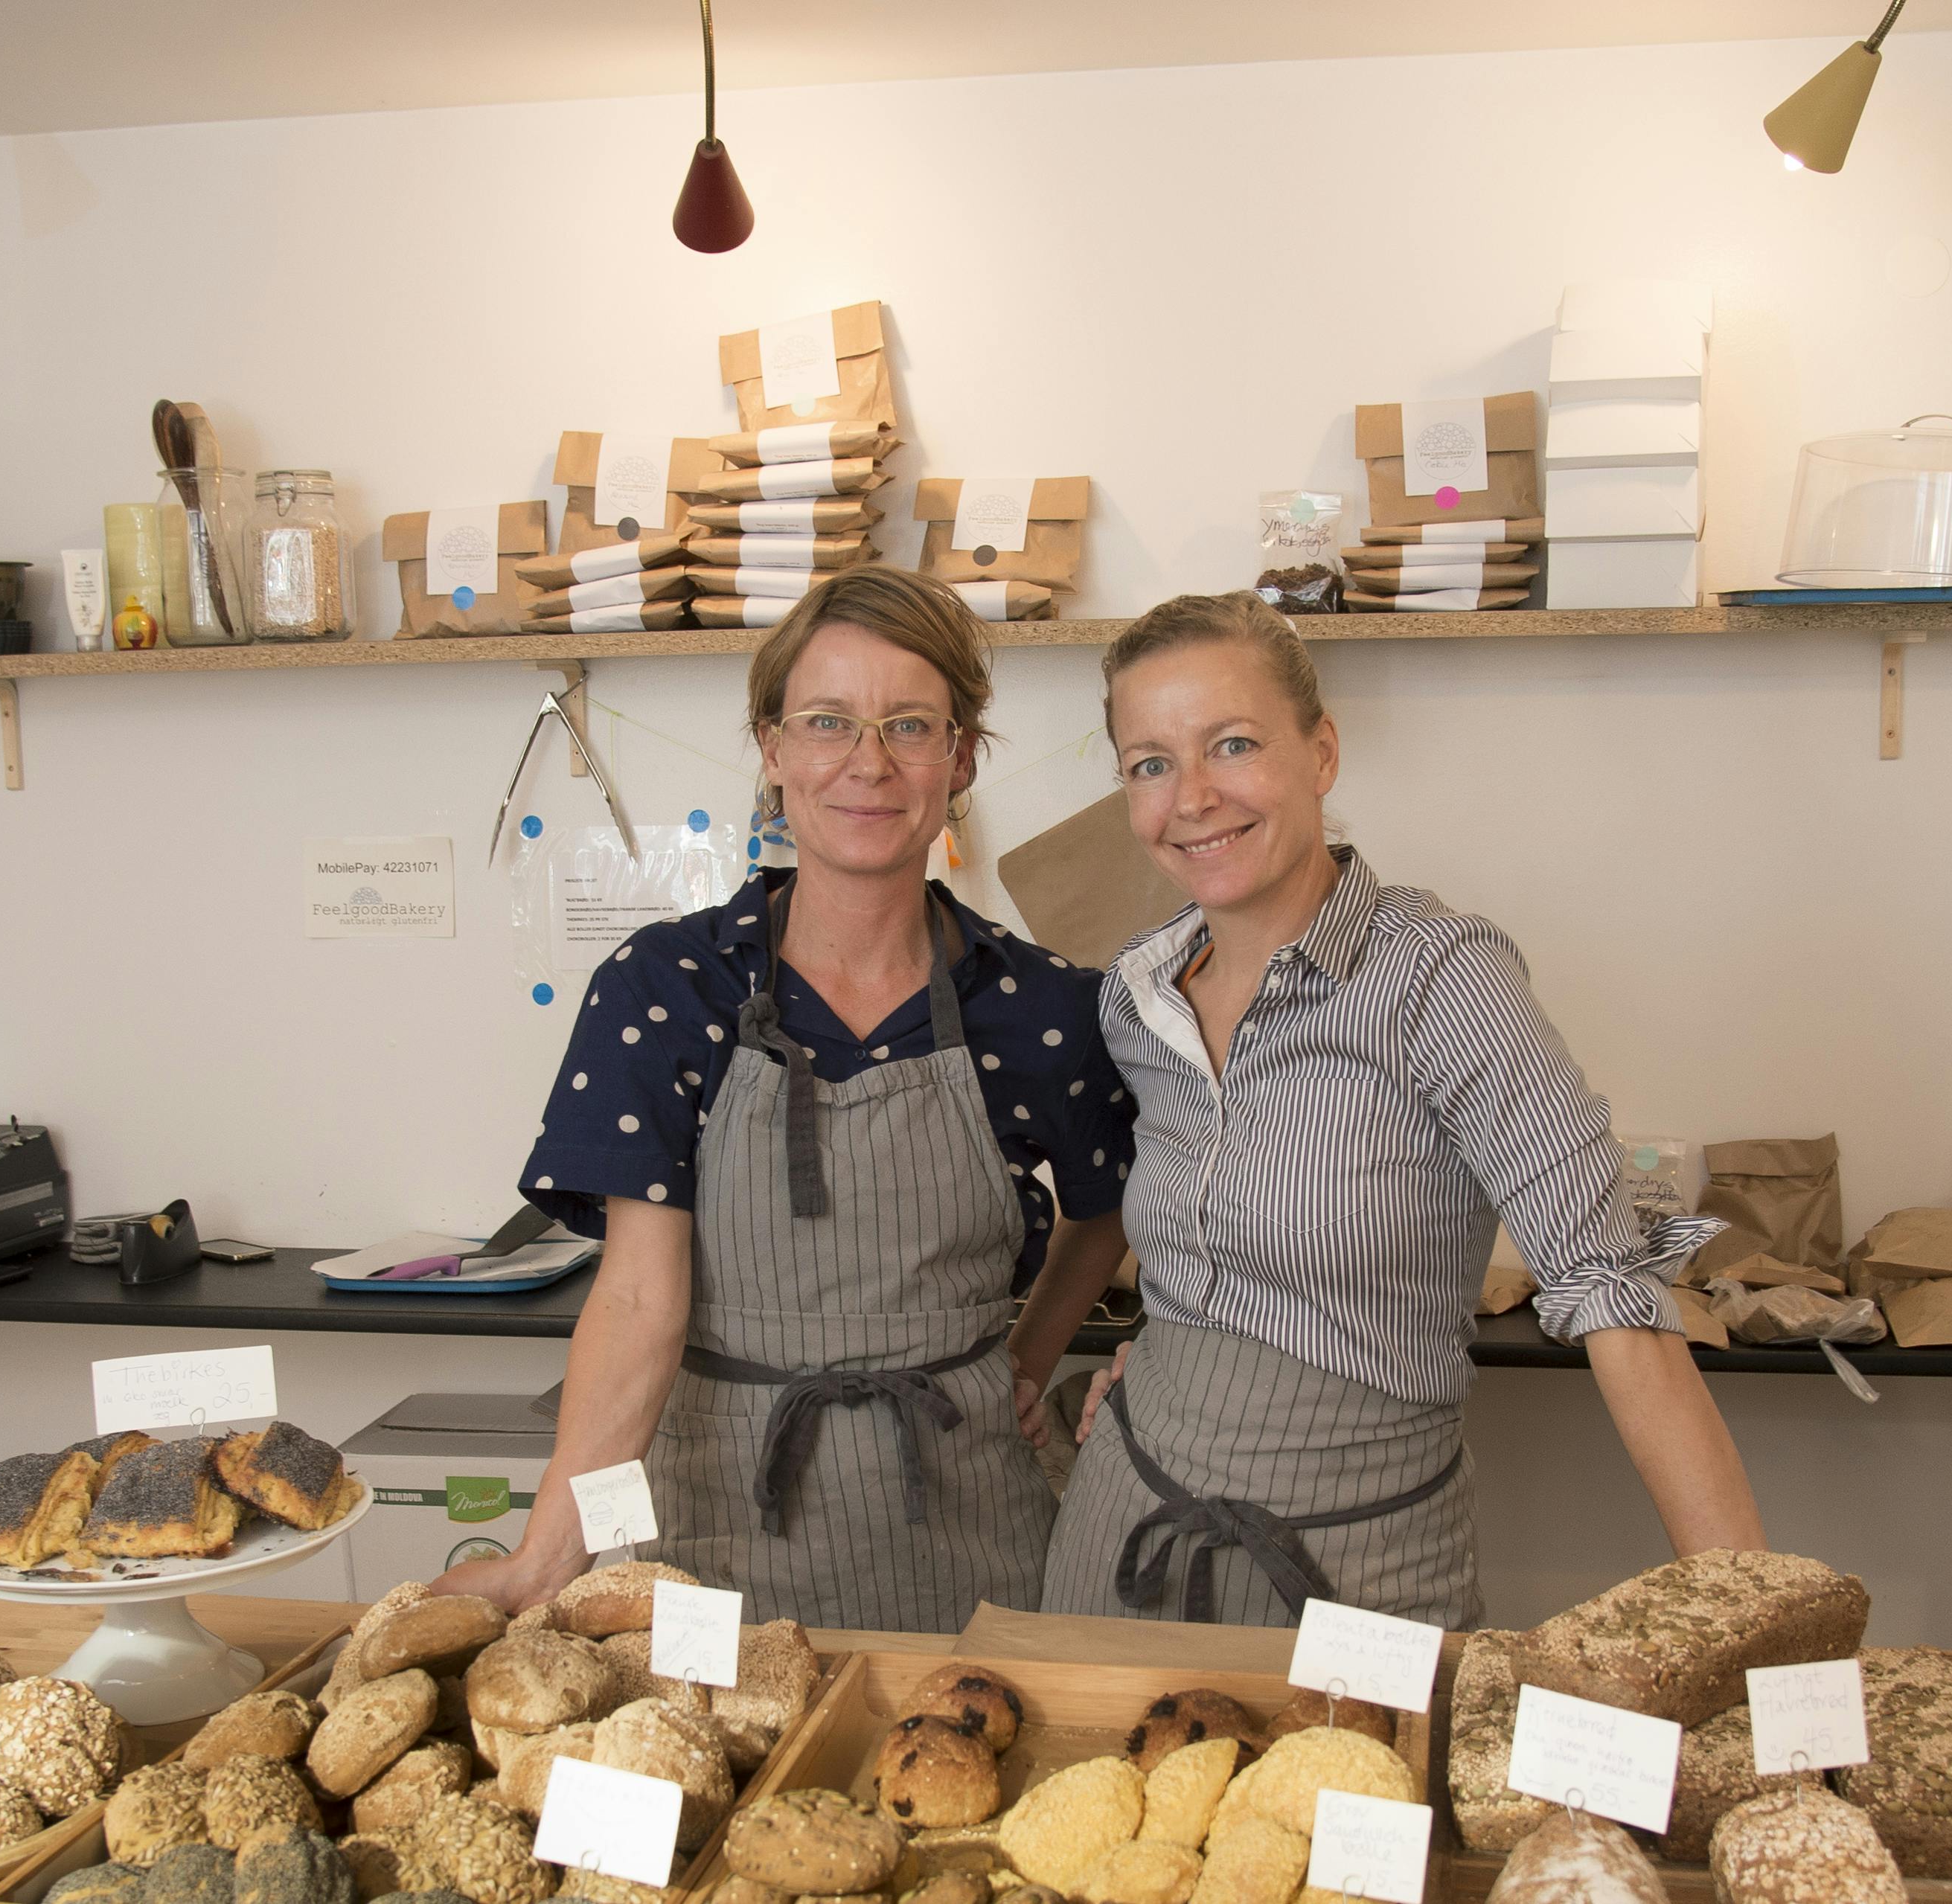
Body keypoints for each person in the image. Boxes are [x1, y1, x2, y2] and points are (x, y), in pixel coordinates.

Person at [1021, 591, 1765, 1628]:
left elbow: (1612, 1292)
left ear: (1320, 752)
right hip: (1125, 1536)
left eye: (1230, 745)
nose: (1190, 796)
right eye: (1150, 763)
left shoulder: (1438, 980)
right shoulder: (1133, 997)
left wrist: (1757, 1628)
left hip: (1359, 1569)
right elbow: (1199, 1271)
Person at [437, 567, 1136, 1629]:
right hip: (717, 1520)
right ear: (771, 749)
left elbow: (1105, 1209)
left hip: (969, 1523)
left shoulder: (1040, 1007)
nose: (867, 763)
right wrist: (544, 1555)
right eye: (826, 722)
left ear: (960, 757)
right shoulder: (668, 988)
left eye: (909, 725)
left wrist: (1023, 1365)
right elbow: (634, 1303)